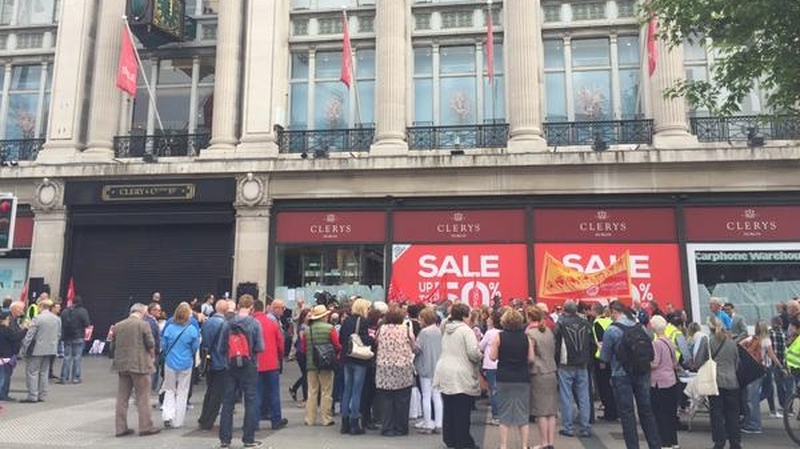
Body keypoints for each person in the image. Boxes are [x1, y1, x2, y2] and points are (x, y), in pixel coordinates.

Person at [600, 301, 661, 449]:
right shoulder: (639, 326)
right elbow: (650, 344)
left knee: (627, 414)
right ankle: (655, 445)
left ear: (615, 312)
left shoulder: (611, 330)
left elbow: (605, 357)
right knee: (646, 410)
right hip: (642, 372)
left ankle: (633, 446)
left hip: (621, 374)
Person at [217, 294, 265, 448]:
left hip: (230, 366)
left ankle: (225, 439)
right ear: (251, 307)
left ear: (238, 306)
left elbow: (221, 348)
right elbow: (260, 347)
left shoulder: (228, 323)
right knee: (250, 400)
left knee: (228, 402)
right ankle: (248, 439)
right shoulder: (255, 323)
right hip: (249, 365)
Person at [433, 303, 483, 449]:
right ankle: (463, 440)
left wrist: (453, 313)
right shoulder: (466, 331)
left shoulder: (445, 327)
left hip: (444, 370)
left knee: (448, 408)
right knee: (462, 410)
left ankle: (450, 439)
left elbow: (445, 320)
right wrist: (480, 355)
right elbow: (473, 353)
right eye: (468, 315)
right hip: (461, 373)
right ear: (464, 316)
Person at [111, 303, 161, 437]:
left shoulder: (118, 325)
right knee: (143, 397)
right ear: (141, 312)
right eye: (145, 313)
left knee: (122, 398)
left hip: (122, 365)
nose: (146, 315)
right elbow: (151, 344)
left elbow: (112, 344)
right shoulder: (143, 325)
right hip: (140, 365)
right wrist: (152, 356)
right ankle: (146, 426)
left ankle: (120, 428)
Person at [489, 308, 533, 449]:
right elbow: (531, 358)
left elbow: (493, 356)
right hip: (522, 377)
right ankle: (524, 446)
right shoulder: (526, 337)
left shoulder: (499, 337)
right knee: (522, 413)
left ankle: (503, 446)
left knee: (504, 413)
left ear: (504, 321)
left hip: (504, 377)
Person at [695, 316, 741, 449]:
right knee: (733, 414)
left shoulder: (708, 342)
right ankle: (735, 443)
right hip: (732, 382)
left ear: (709, 328)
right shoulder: (731, 342)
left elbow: (698, 361)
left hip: (715, 382)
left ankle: (719, 442)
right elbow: (737, 362)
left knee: (717, 414)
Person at [553, 299, 595, 438]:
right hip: (582, 364)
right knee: (584, 396)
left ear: (564, 309)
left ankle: (568, 427)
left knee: (566, 396)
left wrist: (556, 360)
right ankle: (585, 427)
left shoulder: (561, 323)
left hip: (566, 364)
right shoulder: (585, 323)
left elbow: (556, 343)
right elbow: (592, 343)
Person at [374, 304, 416, 437]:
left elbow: (376, 342)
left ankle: (387, 428)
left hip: (384, 367)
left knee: (386, 399)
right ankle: (401, 427)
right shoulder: (406, 329)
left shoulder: (382, 329)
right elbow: (413, 345)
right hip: (402, 367)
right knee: (402, 399)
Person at [159, 302, 200, 429]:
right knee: (183, 390)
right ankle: (178, 420)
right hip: (186, 362)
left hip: (170, 362)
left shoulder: (170, 328)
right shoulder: (192, 330)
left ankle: (167, 415)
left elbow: (164, 346)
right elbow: (195, 347)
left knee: (169, 389)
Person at [740, 320, 783, 434]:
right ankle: (754, 424)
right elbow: (771, 355)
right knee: (757, 395)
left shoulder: (752, 338)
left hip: (750, 370)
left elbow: (739, 345)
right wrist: (780, 365)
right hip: (762, 369)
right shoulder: (766, 340)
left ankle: (751, 422)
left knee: (751, 397)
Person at [338, 298, 374, 435]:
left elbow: (341, 339)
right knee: (357, 391)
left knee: (347, 390)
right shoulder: (363, 321)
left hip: (346, 357)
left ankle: (344, 423)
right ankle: (354, 423)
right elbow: (365, 339)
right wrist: (372, 340)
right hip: (359, 359)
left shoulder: (346, 320)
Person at [303, 304, 341, 427]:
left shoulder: (307, 330)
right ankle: (326, 418)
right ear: (324, 316)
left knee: (312, 391)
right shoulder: (330, 328)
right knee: (326, 391)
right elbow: (337, 345)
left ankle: (310, 419)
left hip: (311, 364)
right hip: (326, 363)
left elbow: (304, 349)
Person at [253, 299, 287, 430]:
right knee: (274, 393)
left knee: (256, 394)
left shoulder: (251, 323)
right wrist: (280, 355)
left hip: (256, 363)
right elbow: (281, 344)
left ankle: (254, 422)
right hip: (272, 363)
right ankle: (276, 420)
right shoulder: (272, 323)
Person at [526, 306, 558, 449]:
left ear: (529, 318)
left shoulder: (530, 334)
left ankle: (544, 442)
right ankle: (550, 442)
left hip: (538, 373)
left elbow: (530, 357)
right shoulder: (548, 331)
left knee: (541, 412)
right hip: (552, 370)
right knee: (551, 411)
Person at [19, 298, 61, 403]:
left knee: (32, 372)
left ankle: (32, 396)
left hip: (36, 350)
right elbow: (59, 334)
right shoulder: (57, 319)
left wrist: (23, 348)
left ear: (41, 306)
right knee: (44, 372)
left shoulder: (37, 319)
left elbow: (30, 336)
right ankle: (42, 395)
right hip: (50, 349)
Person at [198, 298, 229, 430]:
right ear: (226, 310)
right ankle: (209, 421)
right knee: (217, 393)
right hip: (221, 362)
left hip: (209, 361)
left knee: (209, 391)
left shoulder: (207, 322)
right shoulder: (225, 324)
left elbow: (204, 341)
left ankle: (203, 418)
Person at [648, 315, 679, 449]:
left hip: (658, 382)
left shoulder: (656, 344)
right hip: (671, 380)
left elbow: (655, 363)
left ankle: (665, 442)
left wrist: (644, 363)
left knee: (660, 414)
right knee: (671, 412)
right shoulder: (669, 341)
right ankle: (674, 441)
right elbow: (674, 362)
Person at [415, 306, 443, 434]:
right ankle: (438, 423)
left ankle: (428, 423)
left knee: (426, 396)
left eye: (420, 319)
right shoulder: (439, 331)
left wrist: (411, 341)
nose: (419, 321)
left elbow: (417, 349)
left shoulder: (424, 333)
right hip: (437, 367)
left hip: (425, 367)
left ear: (425, 319)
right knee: (437, 396)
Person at [58, 295, 91, 384]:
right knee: (77, 357)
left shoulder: (65, 311)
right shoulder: (83, 311)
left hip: (67, 337)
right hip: (78, 337)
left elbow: (61, 323)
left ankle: (64, 377)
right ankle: (75, 378)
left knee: (67, 357)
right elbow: (87, 324)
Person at [478, 310, 502, 425]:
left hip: (491, 364)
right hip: (501, 364)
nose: (487, 319)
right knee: (500, 390)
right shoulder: (502, 332)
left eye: (489, 318)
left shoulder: (490, 333)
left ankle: (496, 415)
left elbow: (481, 346)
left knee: (493, 390)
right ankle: (501, 414)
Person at [769, 315, 791, 417]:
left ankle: (777, 407)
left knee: (777, 385)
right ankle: (785, 406)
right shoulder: (784, 334)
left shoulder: (770, 334)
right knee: (785, 386)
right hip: (784, 362)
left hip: (773, 362)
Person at [0, 308, 25, 401]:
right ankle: (3, 395)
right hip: (6, 356)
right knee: (5, 377)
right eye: (7, 319)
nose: (8, 321)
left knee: (2, 376)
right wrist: (25, 329)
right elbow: (16, 337)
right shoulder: (6, 330)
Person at [289, 308, 310, 407]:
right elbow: (302, 339)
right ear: (304, 317)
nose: (309, 317)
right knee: (306, 374)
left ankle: (294, 388)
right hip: (302, 352)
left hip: (303, 352)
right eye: (307, 316)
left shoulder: (307, 326)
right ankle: (305, 397)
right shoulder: (303, 327)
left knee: (306, 374)